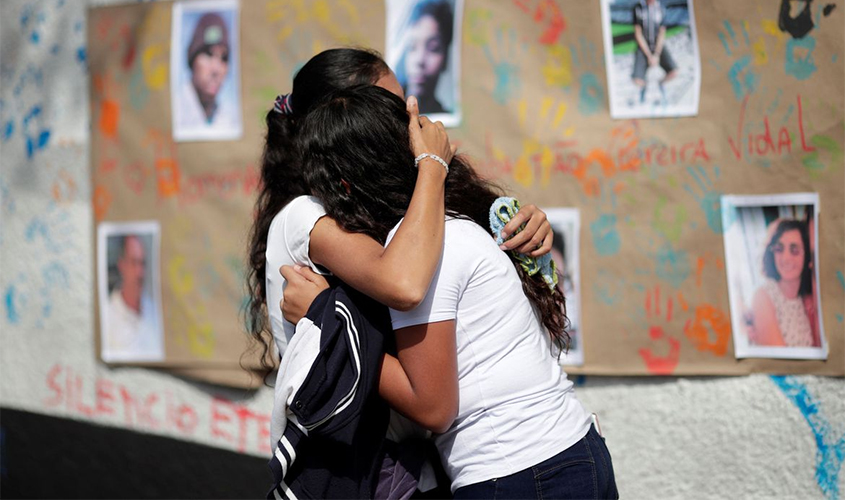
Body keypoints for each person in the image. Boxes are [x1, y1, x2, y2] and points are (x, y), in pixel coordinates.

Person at [244, 48, 556, 497]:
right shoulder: (302, 217)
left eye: (406, 102)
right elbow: (404, 283)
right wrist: (432, 169)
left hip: (415, 467)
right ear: (338, 123)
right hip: (353, 471)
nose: (414, 121)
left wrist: (525, 231)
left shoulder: (377, 210)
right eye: (392, 106)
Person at [285, 85, 617, 499]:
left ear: (346, 187)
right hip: (566, 454)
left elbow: (433, 407)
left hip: (520, 471)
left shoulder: (425, 253)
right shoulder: (454, 224)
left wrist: (325, 320)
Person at [747, 218, 819, 347]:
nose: (785, 258)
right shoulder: (763, 296)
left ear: (808, 257)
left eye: (794, 250)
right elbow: (780, 362)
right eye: (779, 249)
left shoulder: (805, 301)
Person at [104, 235, 162, 360]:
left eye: (142, 263)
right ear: (121, 265)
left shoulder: (155, 311)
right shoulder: (106, 318)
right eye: (134, 263)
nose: (140, 272)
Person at [177, 12, 237, 129]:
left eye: (224, 58)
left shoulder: (228, 120)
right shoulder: (174, 111)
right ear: (192, 60)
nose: (216, 69)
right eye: (208, 54)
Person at [396, 0, 453, 114]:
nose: (420, 60)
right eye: (412, 47)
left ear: (446, 57)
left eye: (433, 48)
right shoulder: (387, 114)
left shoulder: (443, 118)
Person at [631, 0, 677, 104]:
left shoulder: (662, 8)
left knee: (674, 72)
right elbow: (638, 34)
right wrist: (649, 55)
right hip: (644, 46)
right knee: (637, 80)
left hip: (657, 45)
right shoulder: (638, 8)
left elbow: (662, 34)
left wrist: (656, 54)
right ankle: (645, 89)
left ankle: (661, 84)